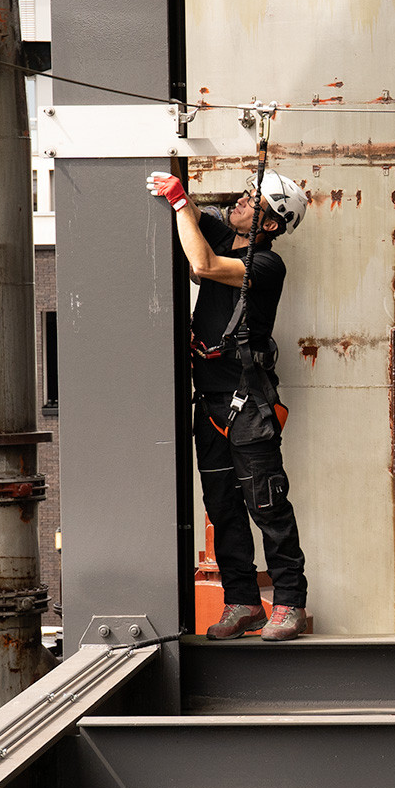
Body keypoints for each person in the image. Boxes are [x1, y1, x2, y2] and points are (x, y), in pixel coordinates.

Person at [148, 168, 311, 641]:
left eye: (252, 200)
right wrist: (179, 193)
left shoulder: (265, 265)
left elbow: (201, 266)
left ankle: (289, 603)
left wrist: (179, 203)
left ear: (271, 225)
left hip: (248, 402)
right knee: (222, 508)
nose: (240, 201)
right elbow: (198, 218)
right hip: (210, 402)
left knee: (267, 502)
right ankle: (242, 602)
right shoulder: (225, 234)